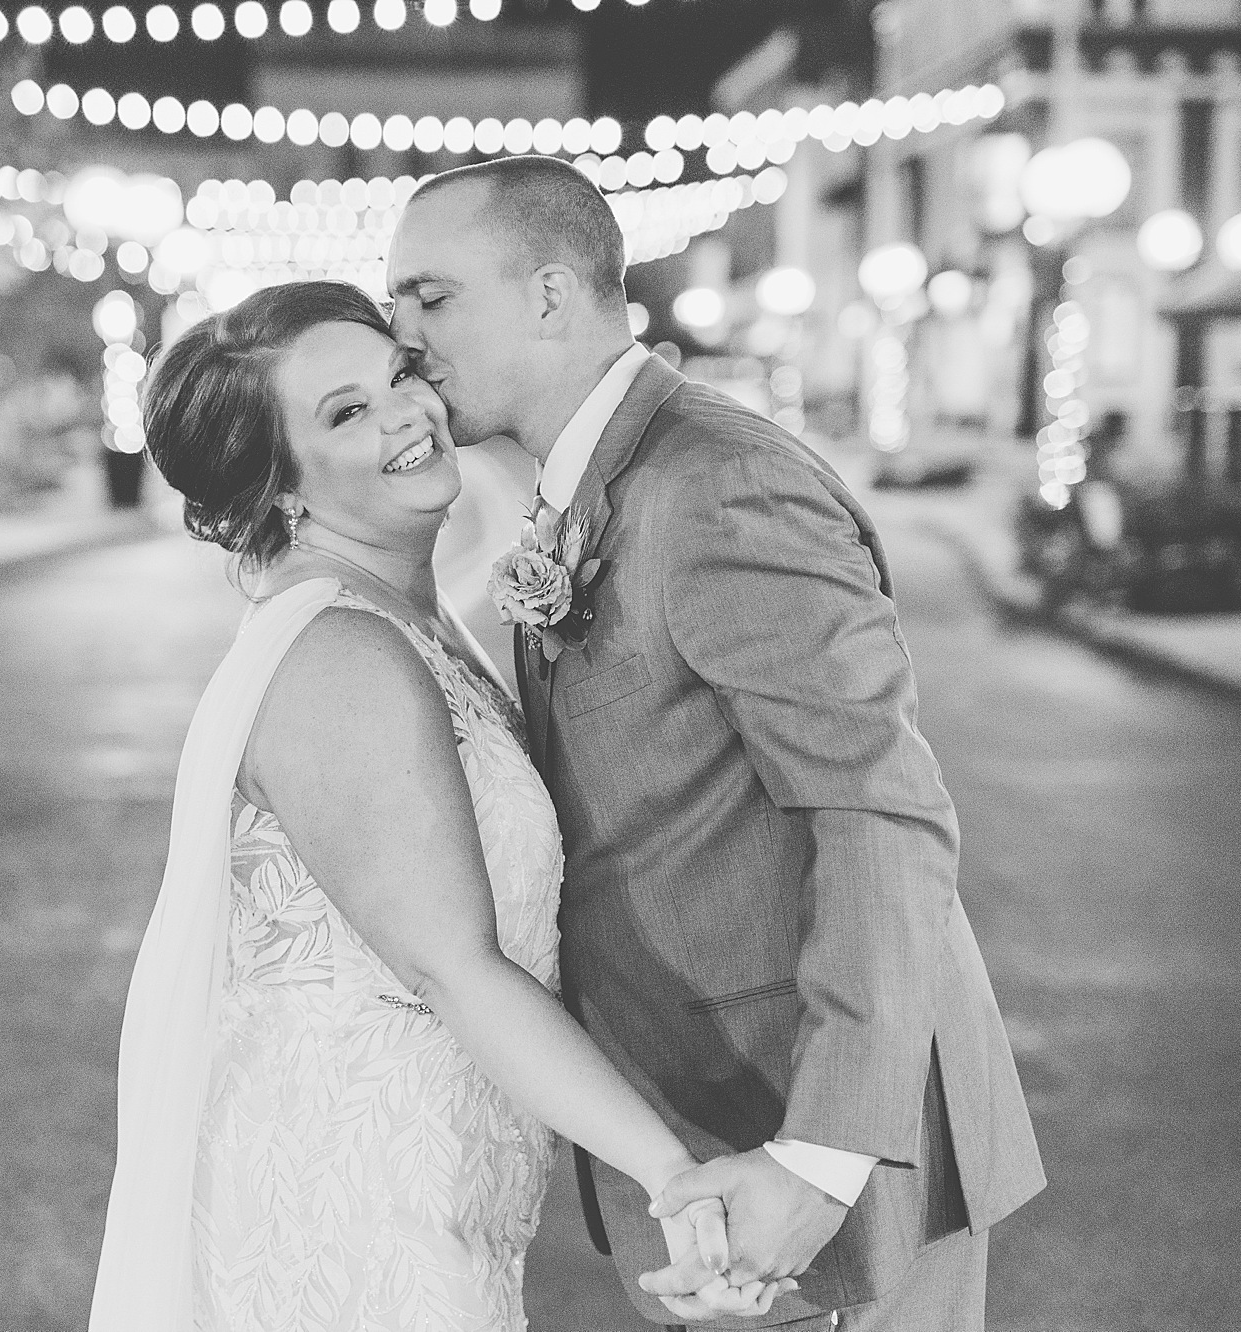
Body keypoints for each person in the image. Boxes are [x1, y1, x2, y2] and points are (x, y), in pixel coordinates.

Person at [386, 155, 1046, 1332]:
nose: (404, 338)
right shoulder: (592, 482)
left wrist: (822, 1156)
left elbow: (876, 811)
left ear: (549, 294)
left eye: (430, 298)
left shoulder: (719, 483)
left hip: (817, 1137)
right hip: (712, 1127)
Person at [87, 280, 792, 1331]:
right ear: (280, 488)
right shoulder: (338, 657)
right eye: (346, 413)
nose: (406, 413)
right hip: (353, 1211)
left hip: (441, 1179)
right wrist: (675, 1177)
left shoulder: (406, 616)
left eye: (400, 374)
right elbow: (451, 966)